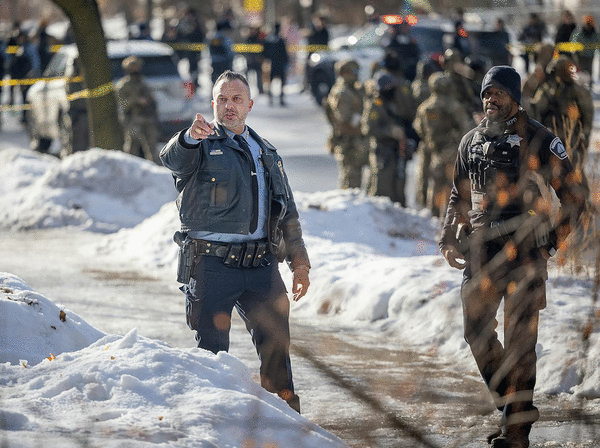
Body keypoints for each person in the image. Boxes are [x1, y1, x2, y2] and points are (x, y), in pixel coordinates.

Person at [439, 66, 586, 448]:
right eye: (487, 93)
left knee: (520, 345)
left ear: (515, 98)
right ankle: (513, 407)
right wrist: (448, 238)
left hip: (524, 257)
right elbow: (457, 195)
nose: (491, 99)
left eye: (499, 93)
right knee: (475, 332)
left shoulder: (539, 139)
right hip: (480, 256)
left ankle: (515, 432)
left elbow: (575, 197)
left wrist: (550, 244)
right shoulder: (471, 141)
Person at [159, 71, 311, 414]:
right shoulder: (200, 143)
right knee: (212, 358)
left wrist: (299, 263)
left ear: (250, 105)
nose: (229, 105)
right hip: (212, 267)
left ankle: (286, 426)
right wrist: (188, 137)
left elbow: (287, 212)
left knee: (277, 354)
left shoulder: (266, 151)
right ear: (213, 104)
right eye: (222, 99)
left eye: (236, 99)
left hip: (261, 268)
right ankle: (213, 424)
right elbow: (172, 158)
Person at [529, 55, 594, 199]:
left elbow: (587, 115)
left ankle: (581, 202)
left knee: (574, 170)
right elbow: (536, 111)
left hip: (572, 138)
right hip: (550, 137)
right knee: (543, 173)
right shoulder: (547, 90)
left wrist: (584, 134)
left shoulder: (577, 92)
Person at [413, 72, 472, 217]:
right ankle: (451, 215)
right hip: (453, 151)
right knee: (453, 184)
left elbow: (418, 128)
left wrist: (431, 142)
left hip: (435, 151)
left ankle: (433, 214)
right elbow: (466, 128)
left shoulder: (424, 107)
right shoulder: (453, 106)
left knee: (436, 183)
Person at [361, 73, 411, 206]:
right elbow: (368, 129)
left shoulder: (395, 103)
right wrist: (390, 131)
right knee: (382, 188)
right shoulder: (375, 105)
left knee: (399, 187)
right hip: (383, 153)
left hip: (398, 152)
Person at [324, 59, 369, 189]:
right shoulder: (342, 92)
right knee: (351, 180)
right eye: (353, 71)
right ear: (344, 73)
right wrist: (361, 121)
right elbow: (343, 119)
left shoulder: (353, 89)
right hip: (349, 142)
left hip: (354, 141)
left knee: (354, 177)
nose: (356, 74)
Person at [115, 56, 160, 164]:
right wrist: (137, 100)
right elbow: (122, 104)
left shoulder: (143, 82)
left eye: (137, 67)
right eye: (132, 67)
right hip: (132, 119)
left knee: (152, 147)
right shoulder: (123, 85)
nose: (135, 69)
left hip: (147, 118)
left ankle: (154, 168)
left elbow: (152, 101)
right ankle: (129, 168)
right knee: (132, 147)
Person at [178, 8, 206, 90]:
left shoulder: (197, 24)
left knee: (195, 67)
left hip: (195, 50)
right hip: (185, 50)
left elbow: (201, 35)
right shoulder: (184, 23)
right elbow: (180, 34)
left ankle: (194, 83)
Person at [262, 22, 289, 106]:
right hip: (278, 63)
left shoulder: (269, 40)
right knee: (280, 81)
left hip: (272, 63)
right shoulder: (280, 40)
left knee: (270, 81)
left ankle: (271, 98)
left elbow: (264, 52)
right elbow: (284, 53)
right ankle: (279, 98)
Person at [570, 15, 600, 86]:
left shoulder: (595, 34)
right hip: (580, 56)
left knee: (589, 72)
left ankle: (589, 86)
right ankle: (580, 86)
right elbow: (573, 41)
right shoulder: (579, 32)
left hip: (590, 56)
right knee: (580, 73)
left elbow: (598, 43)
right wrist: (574, 51)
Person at [209, 20, 234, 85]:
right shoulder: (225, 38)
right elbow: (229, 52)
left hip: (215, 62)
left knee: (216, 82)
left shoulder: (212, 37)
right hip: (225, 63)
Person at [244, 26, 266, 95]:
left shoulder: (259, 39)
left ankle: (260, 89)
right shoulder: (248, 39)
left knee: (259, 76)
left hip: (257, 60)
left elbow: (262, 49)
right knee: (247, 75)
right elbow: (245, 49)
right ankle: (245, 89)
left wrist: (261, 57)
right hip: (250, 60)